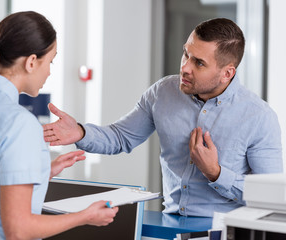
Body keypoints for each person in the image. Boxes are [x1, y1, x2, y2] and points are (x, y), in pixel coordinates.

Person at [43, 18, 283, 217]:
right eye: (186, 55)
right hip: (168, 224)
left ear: (227, 73)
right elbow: (120, 137)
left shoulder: (259, 117)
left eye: (199, 63)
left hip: (224, 230)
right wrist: (81, 132)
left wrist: (216, 173)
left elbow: (271, 198)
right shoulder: (163, 92)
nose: (185, 67)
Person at [0, 11, 118, 239]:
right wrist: (85, 216)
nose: (49, 71)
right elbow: (19, 230)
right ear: (32, 62)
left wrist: (42, 170)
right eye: (50, 61)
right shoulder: (19, 123)